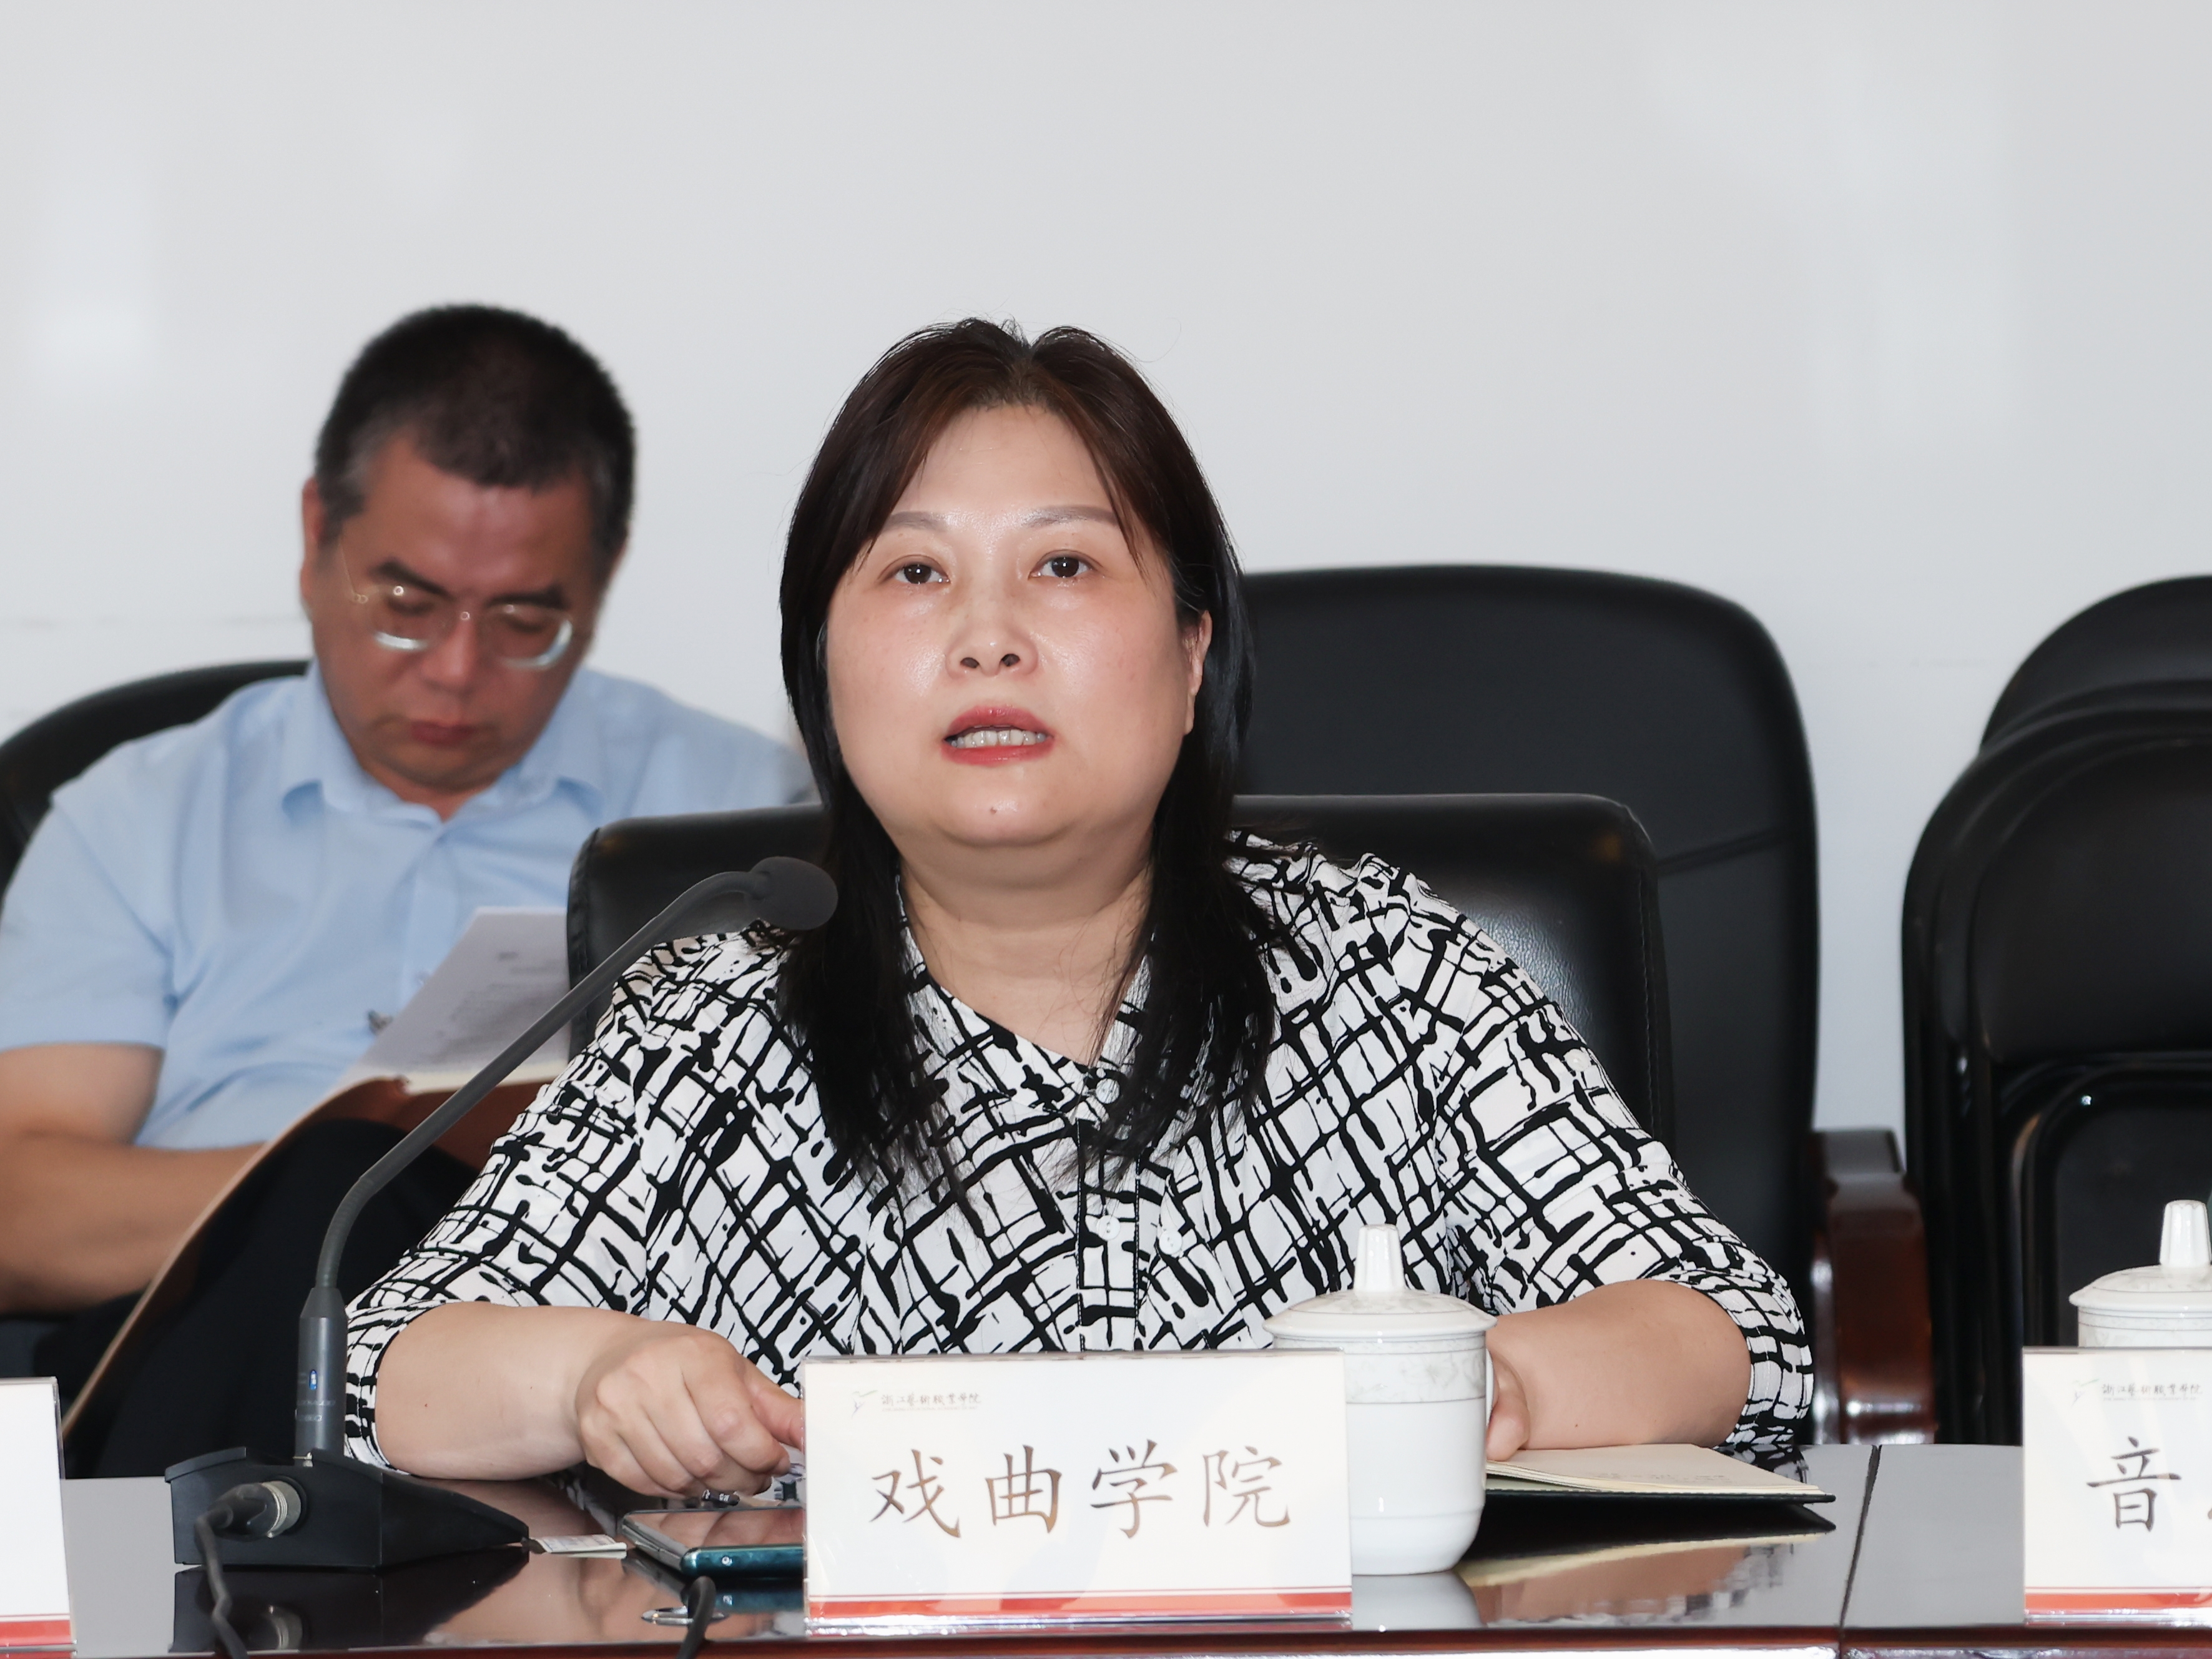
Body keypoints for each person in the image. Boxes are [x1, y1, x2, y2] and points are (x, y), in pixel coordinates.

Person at [346, 319, 1810, 1495]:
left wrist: (1490, 1388)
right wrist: (592, 1379)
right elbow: (383, 1371)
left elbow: (1727, 1335)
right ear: (824, 678)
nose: (987, 636)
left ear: (1189, 657)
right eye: (914, 572)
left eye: (1062, 566)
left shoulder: (1388, 971)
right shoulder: (710, 1030)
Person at [0, 306, 809, 1456]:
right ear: (315, 534)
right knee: (338, 1187)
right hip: (199, 1356)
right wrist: (334, 1191)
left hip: (596, 1342)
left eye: (525, 618)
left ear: (602, 577)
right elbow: (22, 1207)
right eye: (408, 604)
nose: (457, 669)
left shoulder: (738, 813)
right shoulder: (140, 814)